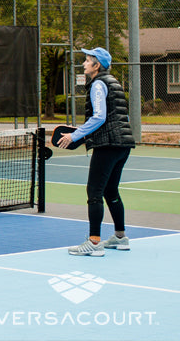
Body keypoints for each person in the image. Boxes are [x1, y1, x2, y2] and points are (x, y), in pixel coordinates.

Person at [57, 47, 135, 256]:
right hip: (123, 144)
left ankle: (94, 242)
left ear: (96, 65)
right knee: (111, 191)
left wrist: (75, 135)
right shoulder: (114, 82)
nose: (83, 64)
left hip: (108, 145)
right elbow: (117, 117)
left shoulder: (98, 84)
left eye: (87, 60)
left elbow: (99, 117)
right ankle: (120, 237)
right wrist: (87, 135)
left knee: (94, 193)